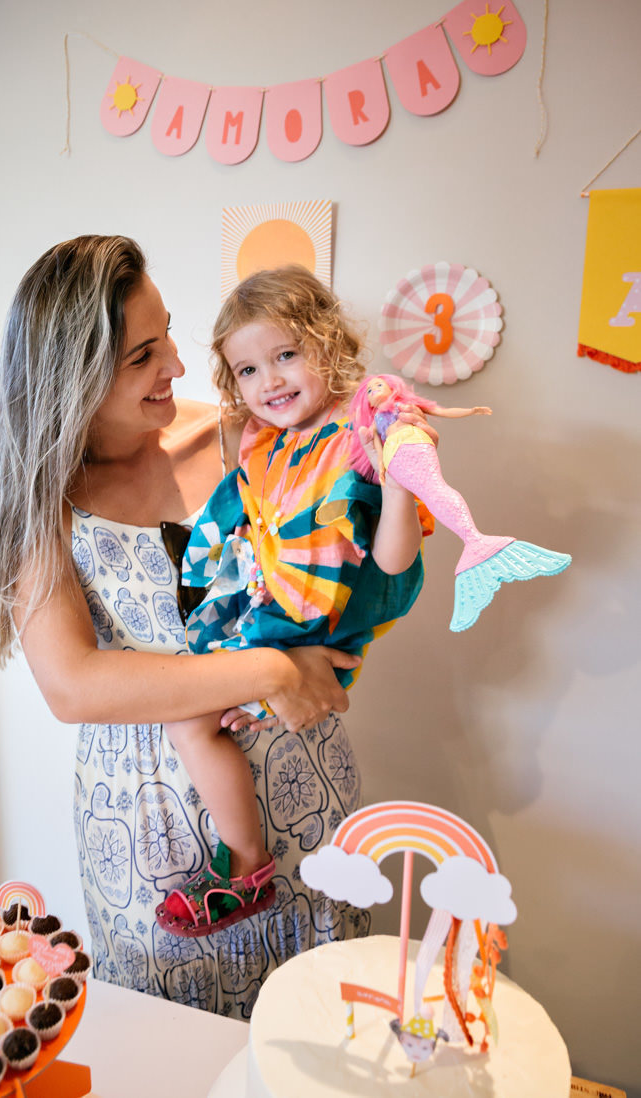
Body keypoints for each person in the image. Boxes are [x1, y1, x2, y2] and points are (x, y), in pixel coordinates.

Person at [0, 235, 382, 1018]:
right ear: (74, 375)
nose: (179, 367)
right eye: (143, 356)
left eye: (166, 337)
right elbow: (74, 684)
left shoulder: (242, 436)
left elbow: (336, 553)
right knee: (179, 1041)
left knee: (325, 1026)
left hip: (301, 787)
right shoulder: (41, 499)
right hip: (149, 826)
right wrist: (272, 670)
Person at [157, 267, 437, 937]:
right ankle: (244, 858)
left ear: (330, 344)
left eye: (287, 354)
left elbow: (396, 564)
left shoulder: (364, 435)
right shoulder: (270, 438)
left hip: (315, 628)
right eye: (248, 370)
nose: (270, 381)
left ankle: (244, 867)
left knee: (187, 719)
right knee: (199, 713)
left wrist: (401, 484)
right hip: (279, 618)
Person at [350, 373, 571, 632]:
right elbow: (378, 444)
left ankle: (475, 540)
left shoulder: (403, 409)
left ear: (392, 387)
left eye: (379, 385)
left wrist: (471, 411)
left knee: (435, 489)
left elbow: (441, 411)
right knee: (434, 491)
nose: (374, 391)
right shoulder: (374, 423)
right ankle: (476, 543)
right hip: (396, 456)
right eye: (369, 391)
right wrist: (383, 468)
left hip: (412, 446)